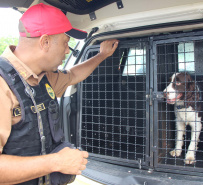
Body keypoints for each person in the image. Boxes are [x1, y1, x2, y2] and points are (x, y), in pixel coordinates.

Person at [0, 3, 118, 185]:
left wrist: (102, 55)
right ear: (45, 42)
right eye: (65, 43)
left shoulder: (43, 77)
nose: (66, 51)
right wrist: (56, 162)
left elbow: (73, 75)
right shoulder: (3, 84)